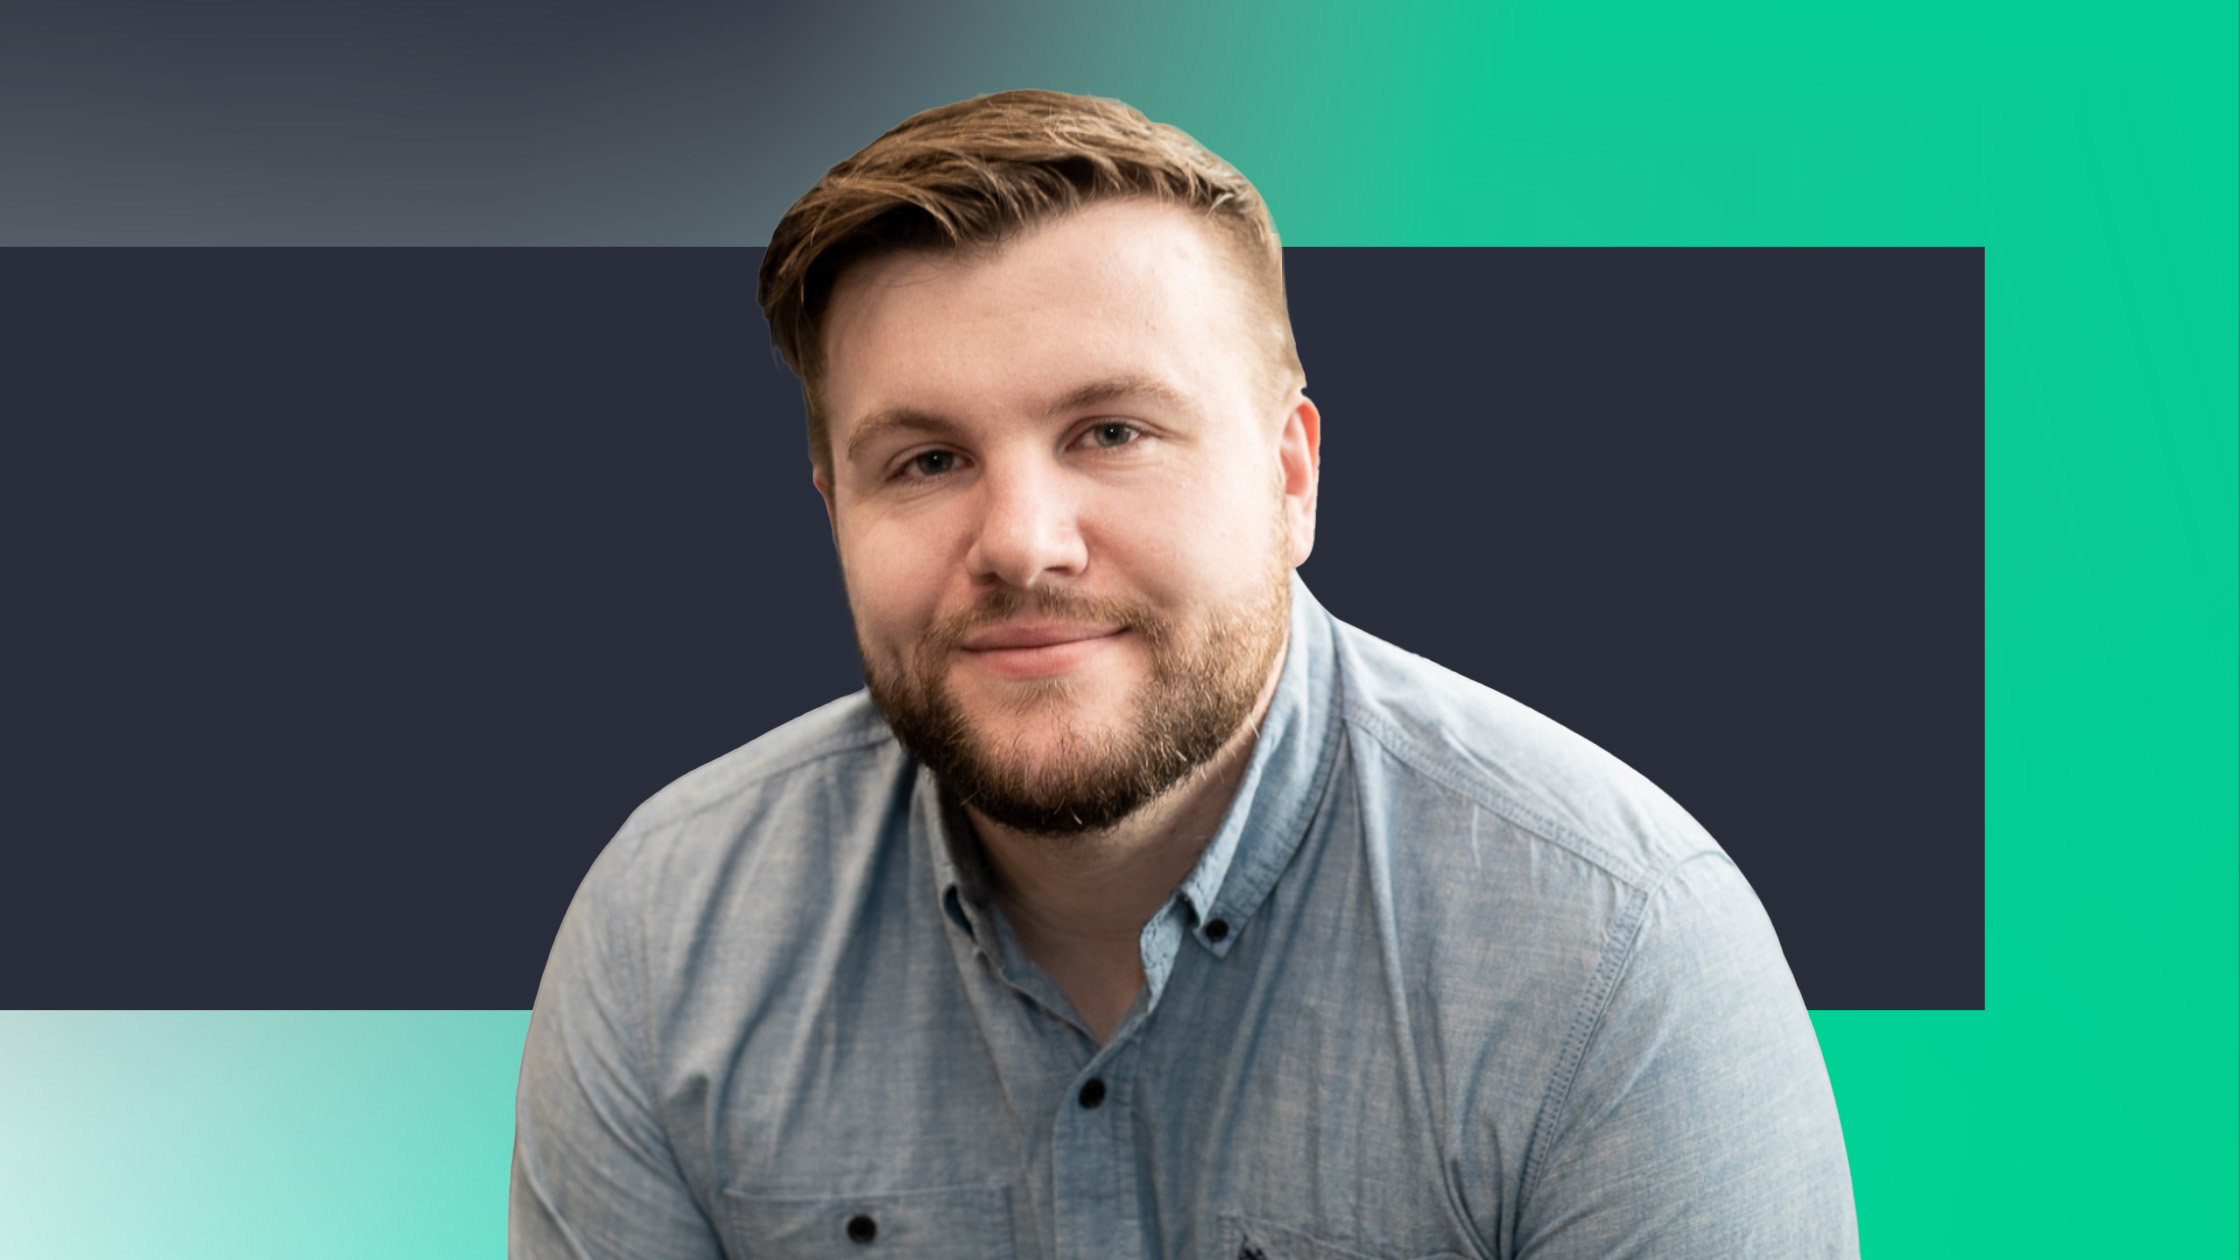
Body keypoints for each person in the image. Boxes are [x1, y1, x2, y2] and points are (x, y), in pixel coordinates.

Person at [510, 89, 1858, 1259]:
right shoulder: (664, 937)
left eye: (1110, 431)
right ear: (832, 505)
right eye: (925, 460)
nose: (1023, 545)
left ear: (1290, 473)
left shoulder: (1614, 954)